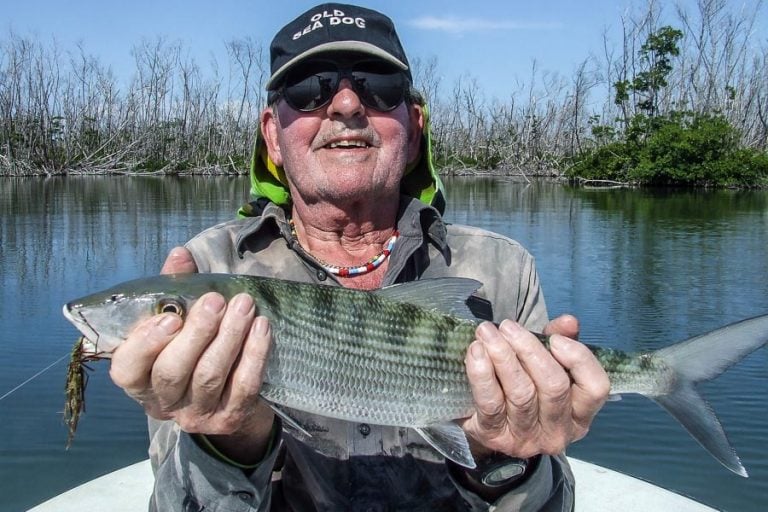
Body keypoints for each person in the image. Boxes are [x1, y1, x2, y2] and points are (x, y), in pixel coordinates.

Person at [110, 3, 610, 511]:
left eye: (379, 86)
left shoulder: (503, 269)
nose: (346, 104)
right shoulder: (206, 272)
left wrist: (503, 458)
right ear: (272, 136)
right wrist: (232, 439)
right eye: (309, 88)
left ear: (414, 129)